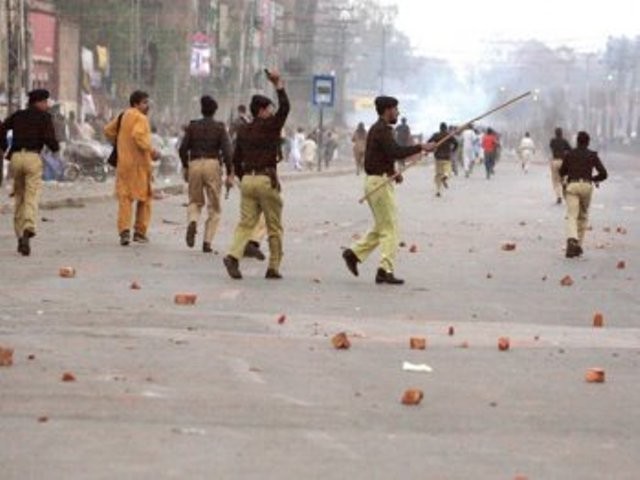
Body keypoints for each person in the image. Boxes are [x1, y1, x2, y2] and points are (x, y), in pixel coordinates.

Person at [341, 96, 434, 285]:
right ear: (387, 110)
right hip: (378, 184)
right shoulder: (382, 130)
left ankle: (353, 254)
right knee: (390, 228)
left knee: (382, 226)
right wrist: (421, 146)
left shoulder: (379, 130)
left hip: (378, 180)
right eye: (396, 110)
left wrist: (392, 172)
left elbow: (383, 156)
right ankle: (385, 269)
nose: (398, 113)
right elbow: (395, 152)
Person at [223, 68, 290, 280]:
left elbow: (235, 157)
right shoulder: (270, 126)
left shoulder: (244, 130)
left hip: (247, 181)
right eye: (269, 109)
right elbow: (285, 108)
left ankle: (233, 256)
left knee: (246, 222)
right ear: (261, 111)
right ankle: (274, 267)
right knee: (274, 226)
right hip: (265, 179)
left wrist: (241, 177)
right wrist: (278, 84)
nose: (272, 112)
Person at [0, 89, 60, 255]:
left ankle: (19, 237)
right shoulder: (44, 117)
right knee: (31, 196)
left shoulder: (18, 115)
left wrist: (4, 147)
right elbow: (50, 140)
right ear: (39, 102)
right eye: (45, 102)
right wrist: (55, 147)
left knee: (19, 198)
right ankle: (28, 227)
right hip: (33, 157)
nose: (47, 105)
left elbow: (2, 128)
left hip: (16, 158)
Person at [104, 90, 160, 246]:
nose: (148, 106)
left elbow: (108, 130)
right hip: (139, 166)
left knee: (125, 198)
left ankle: (124, 232)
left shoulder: (123, 115)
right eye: (144, 102)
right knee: (145, 198)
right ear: (136, 104)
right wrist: (152, 150)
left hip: (123, 165)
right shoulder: (141, 118)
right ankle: (140, 232)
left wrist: (120, 143)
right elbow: (138, 136)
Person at [179, 95, 233, 253]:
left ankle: (193, 221)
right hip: (212, 164)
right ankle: (207, 242)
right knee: (214, 206)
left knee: (194, 200)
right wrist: (230, 171)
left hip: (194, 163)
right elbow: (228, 152)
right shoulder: (220, 127)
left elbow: (183, 149)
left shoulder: (192, 126)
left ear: (201, 110)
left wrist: (185, 166)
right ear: (215, 111)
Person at [559, 131, 607, 258]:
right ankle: (578, 245)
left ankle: (571, 240)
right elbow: (604, 173)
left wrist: (568, 174)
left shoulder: (569, 154)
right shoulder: (592, 155)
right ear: (588, 142)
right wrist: (593, 179)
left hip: (572, 186)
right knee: (583, 216)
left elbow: (562, 171)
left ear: (577, 141)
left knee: (571, 215)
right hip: (586, 186)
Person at [428, 122, 458, 197]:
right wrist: (453, 150)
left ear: (440, 128)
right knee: (448, 171)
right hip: (446, 157)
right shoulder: (449, 135)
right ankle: (445, 176)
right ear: (446, 128)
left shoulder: (436, 135)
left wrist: (433, 147)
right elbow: (456, 143)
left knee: (438, 174)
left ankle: (438, 191)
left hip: (438, 157)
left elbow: (428, 142)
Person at [549, 127, 571, 204]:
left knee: (555, 180)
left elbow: (551, 147)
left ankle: (559, 196)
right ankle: (564, 184)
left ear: (555, 133)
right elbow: (570, 149)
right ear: (562, 133)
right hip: (563, 161)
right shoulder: (565, 141)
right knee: (564, 177)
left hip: (555, 161)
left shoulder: (552, 141)